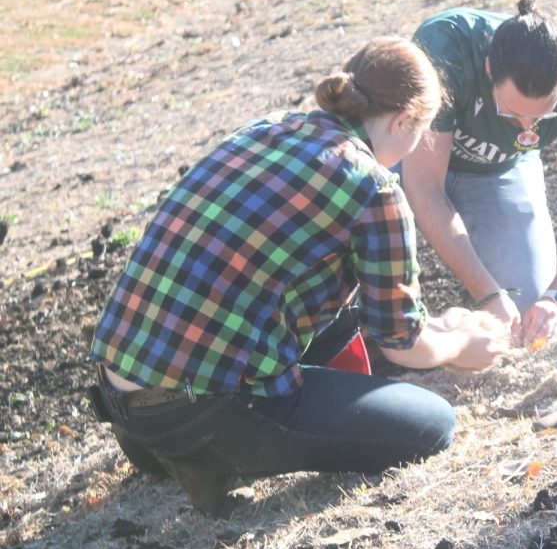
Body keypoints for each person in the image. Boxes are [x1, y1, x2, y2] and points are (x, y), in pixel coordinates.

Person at [87, 37, 508, 516]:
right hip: (200, 415)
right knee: (433, 424)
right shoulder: (374, 187)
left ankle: (193, 454)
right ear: (402, 121)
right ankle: (214, 454)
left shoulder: (265, 131)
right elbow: (400, 343)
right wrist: (460, 346)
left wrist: (442, 326)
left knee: (334, 313)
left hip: (123, 404)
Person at [404, 0, 557, 349]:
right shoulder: (445, 50)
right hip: (406, 155)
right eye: (512, 113)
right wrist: (486, 291)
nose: (528, 128)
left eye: (541, 115)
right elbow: (423, 186)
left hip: (496, 171)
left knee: (525, 307)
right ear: (489, 71)